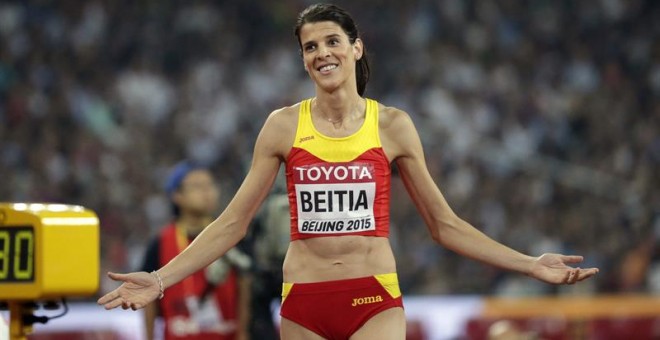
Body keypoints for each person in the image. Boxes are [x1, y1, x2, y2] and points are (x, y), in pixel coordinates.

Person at [98, 4, 599, 339]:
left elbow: (444, 226)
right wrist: (161, 281)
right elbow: (232, 224)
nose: (322, 54)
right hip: (303, 302)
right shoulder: (281, 127)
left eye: (331, 41)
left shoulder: (394, 126)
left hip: (374, 295)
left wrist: (529, 263)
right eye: (310, 47)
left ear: (356, 48)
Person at [140, 161, 252, 340]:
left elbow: (245, 284)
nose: (207, 192)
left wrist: (244, 333)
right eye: (197, 186)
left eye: (210, 185)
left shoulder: (232, 235)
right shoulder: (161, 242)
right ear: (177, 195)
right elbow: (149, 298)